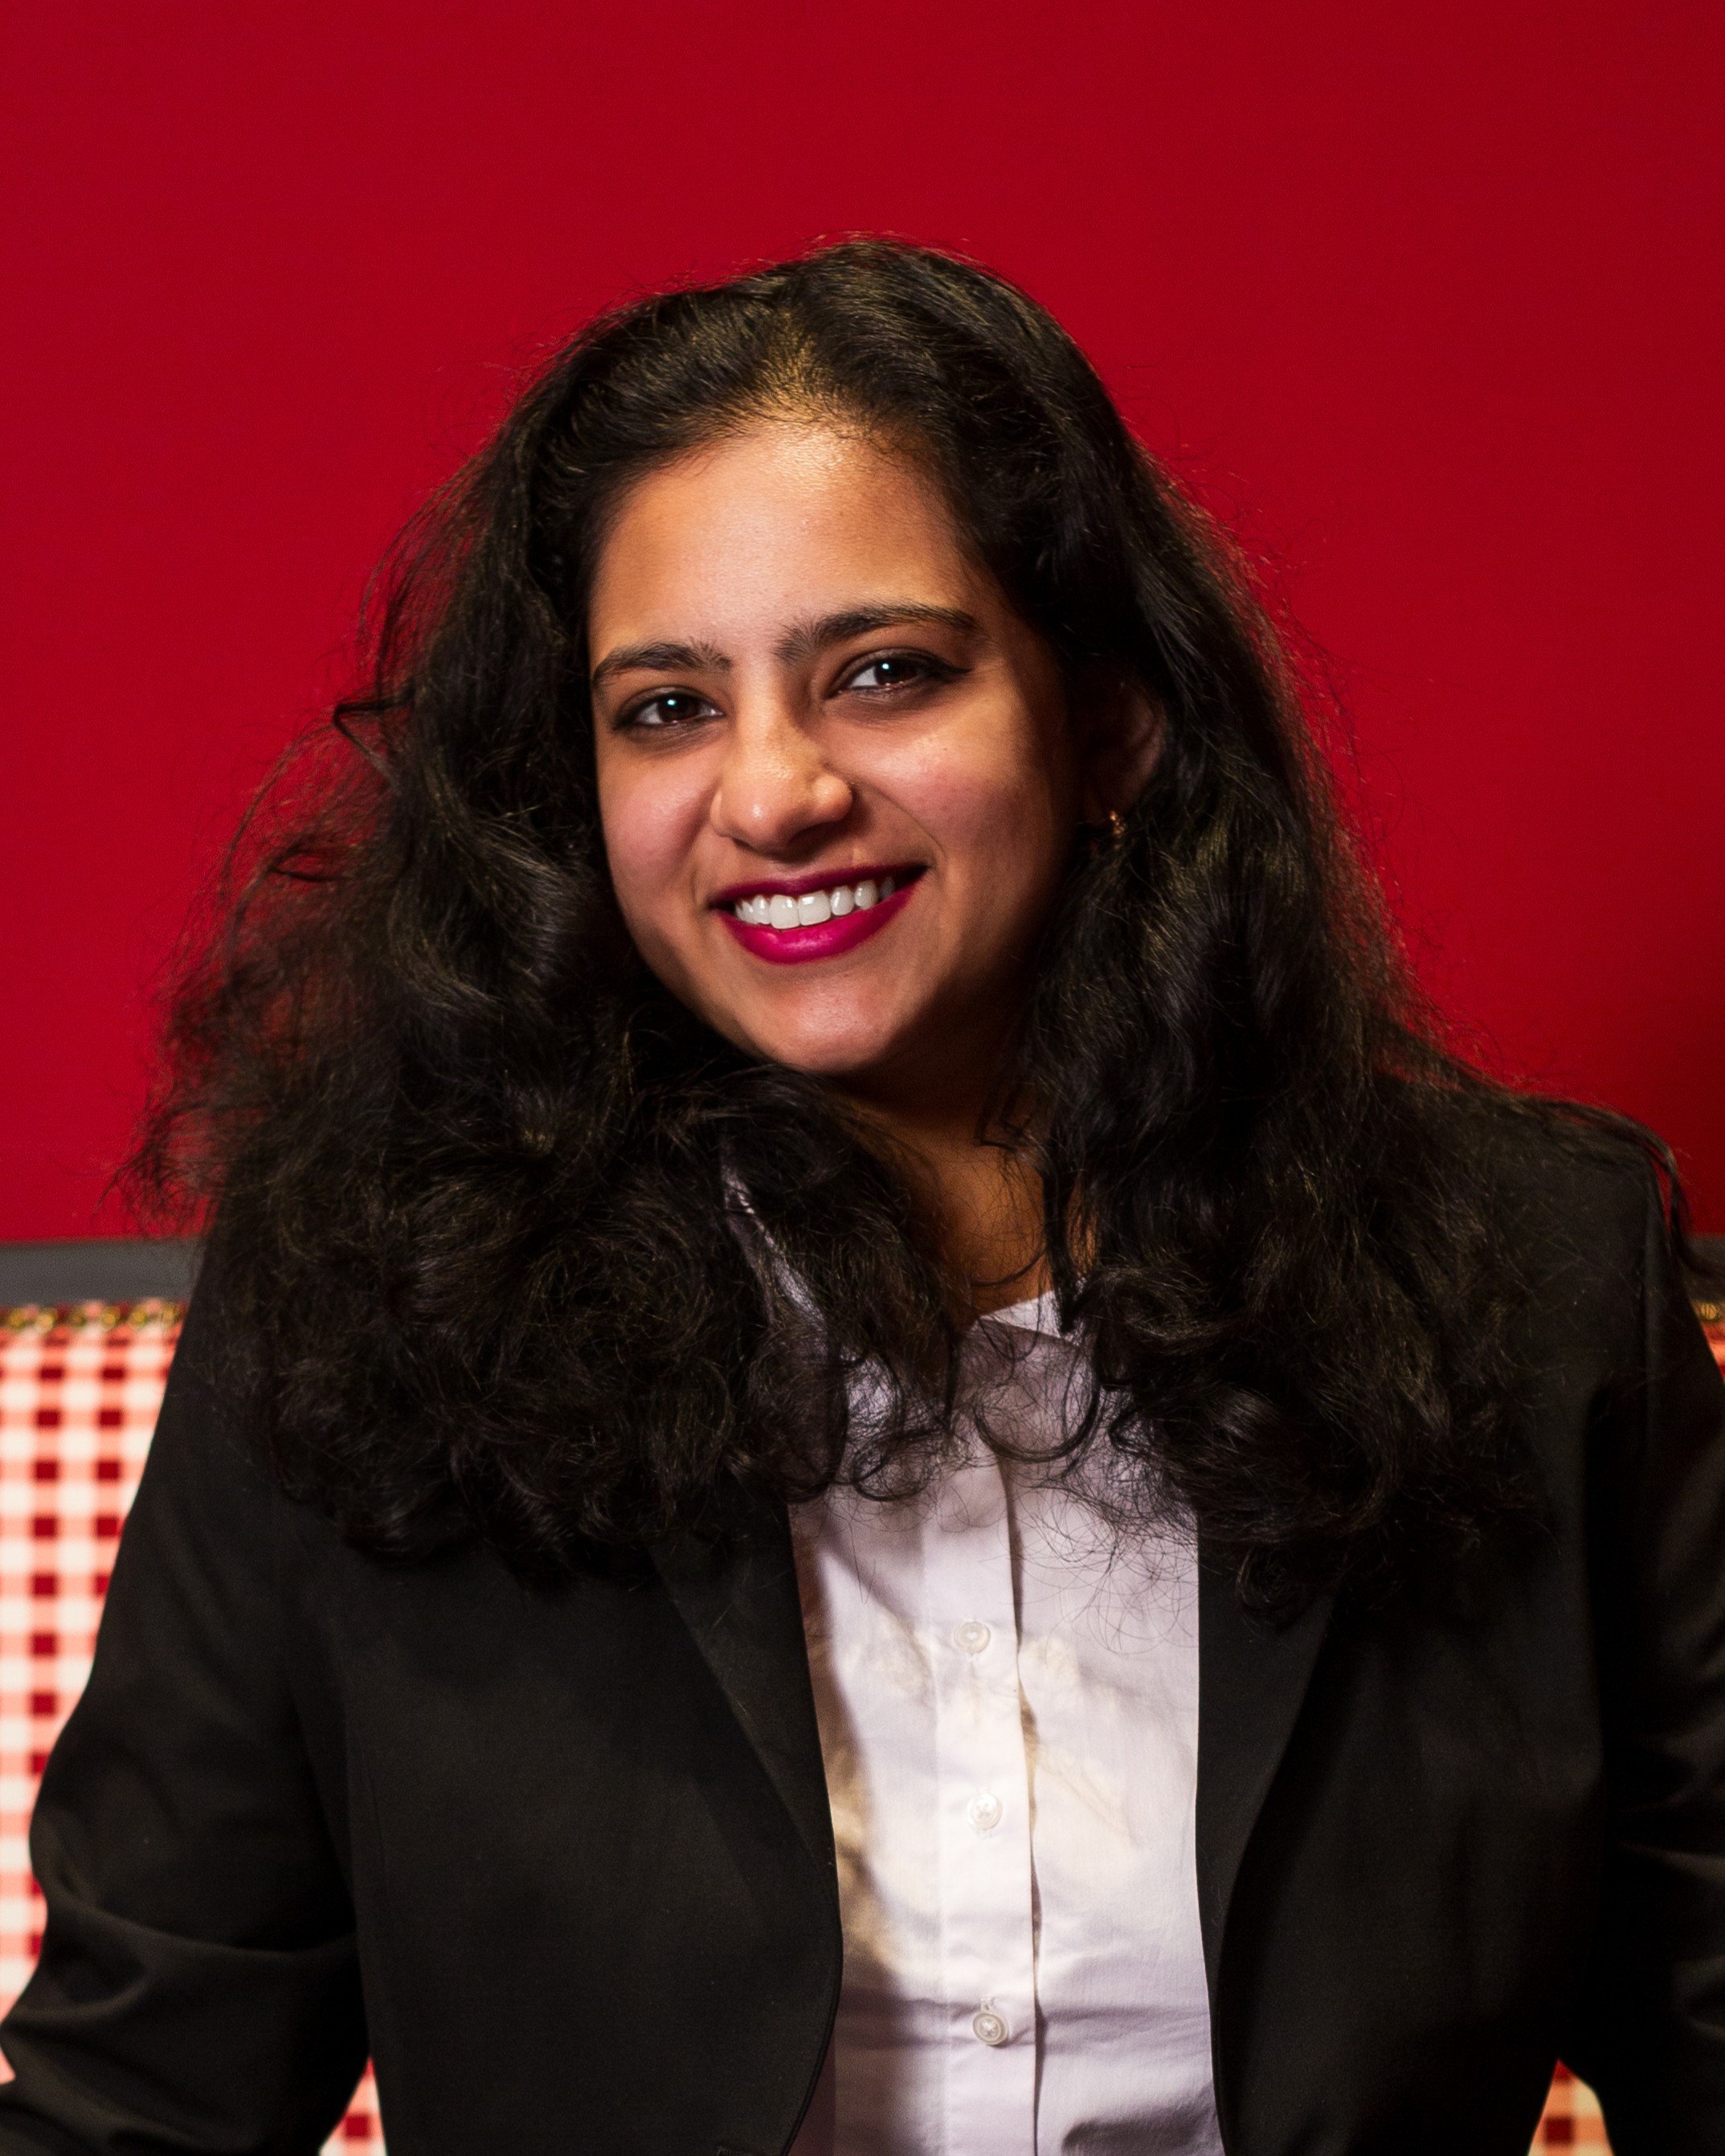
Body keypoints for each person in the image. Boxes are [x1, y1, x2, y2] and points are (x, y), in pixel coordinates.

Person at [2, 240, 1719, 2156]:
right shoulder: (355, 1308)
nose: (773, 791)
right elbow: (134, 2107)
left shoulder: (1542, 1290)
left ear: (1109, 717)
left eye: (884, 674)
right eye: (666, 705)